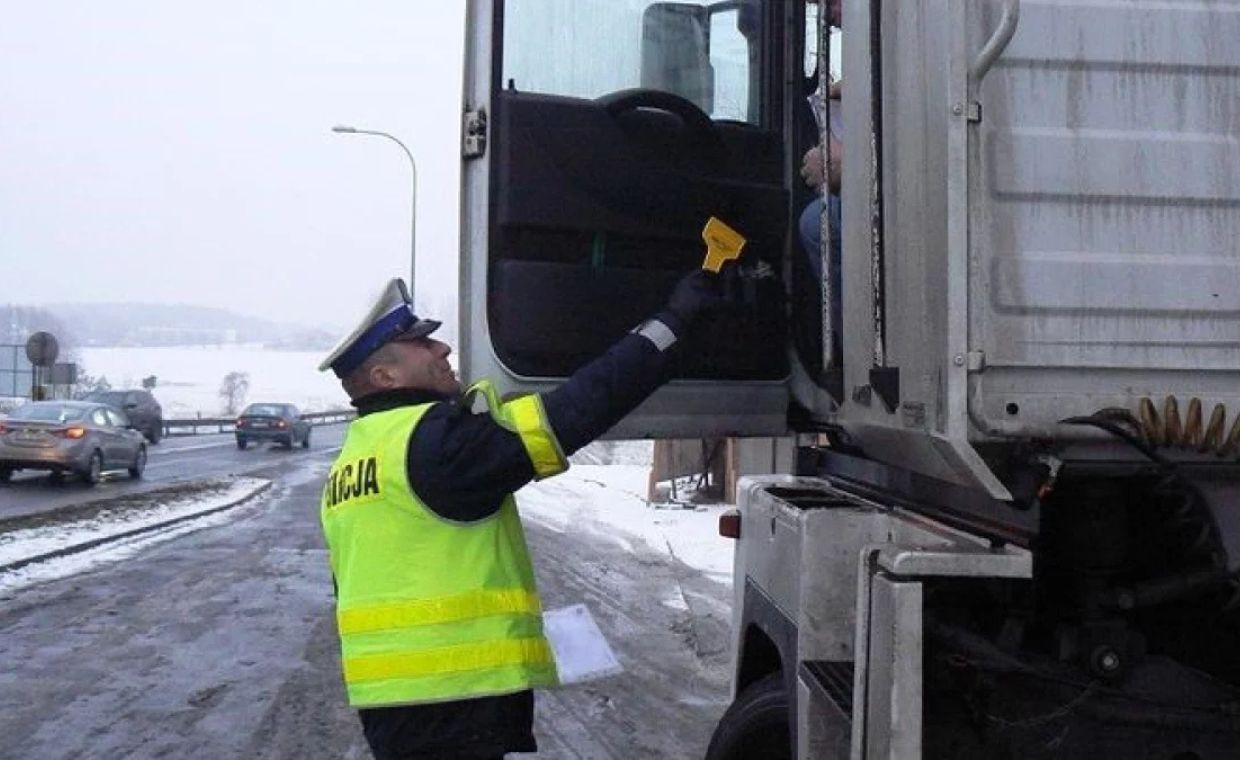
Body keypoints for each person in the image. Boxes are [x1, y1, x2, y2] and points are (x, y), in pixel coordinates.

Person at [317, 267, 729, 760]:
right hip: (456, 703)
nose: (444, 350)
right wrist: (672, 324)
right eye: (423, 344)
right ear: (385, 376)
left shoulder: (352, 463)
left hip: (394, 706)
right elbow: (582, 406)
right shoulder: (435, 447)